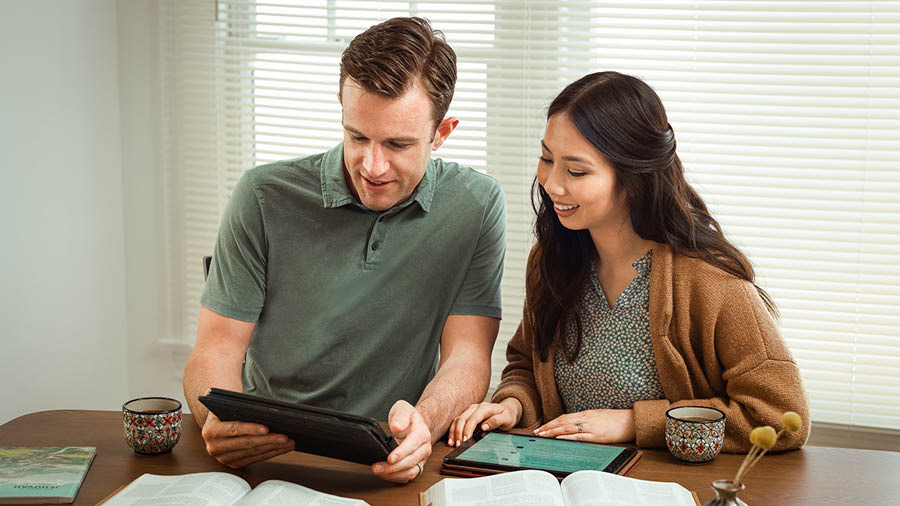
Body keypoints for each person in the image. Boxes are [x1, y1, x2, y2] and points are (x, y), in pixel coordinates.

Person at [183, 17, 506, 483]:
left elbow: (469, 355)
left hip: (388, 455)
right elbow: (215, 347)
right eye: (357, 136)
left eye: (397, 144)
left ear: (442, 132)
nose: (372, 166)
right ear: (341, 108)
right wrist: (214, 418)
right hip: (267, 453)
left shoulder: (476, 204)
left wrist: (425, 426)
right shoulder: (262, 195)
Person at [448, 71, 810, 453]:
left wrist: (636, 423)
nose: (551, 184)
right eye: (546, 158)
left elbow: (781, 414)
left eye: (576, 171)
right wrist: (512, 405)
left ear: (635, 176)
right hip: (564, 480)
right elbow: (527, 365)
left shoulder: (711, 281)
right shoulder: (552, 259)